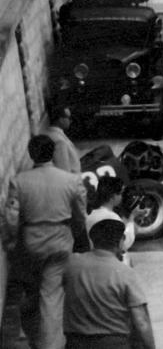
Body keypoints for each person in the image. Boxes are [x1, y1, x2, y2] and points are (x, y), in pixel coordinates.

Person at [6, 135, 88, 349]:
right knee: (51, 295)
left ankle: (32, 335)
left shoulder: (19, 181)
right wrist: (77, 232)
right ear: (52, 153)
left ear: (31, 154)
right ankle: (51, 344)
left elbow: (12, 218)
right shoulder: (71, 180)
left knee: (33, 291)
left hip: (31, 243)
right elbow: (80, 214)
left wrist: (12, 241)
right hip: (60, 241)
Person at [63, 219, 156, 349]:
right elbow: (141, 322)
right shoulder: (125, 273)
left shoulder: (72, 264)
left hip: (76, 342)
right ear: (121, 241)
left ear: (93, 240)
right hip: (114, 343)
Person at [84, 176, 140, 256]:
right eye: (120, 193)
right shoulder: (112, 218)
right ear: (112, 197)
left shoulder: (91, 215)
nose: (122, 197)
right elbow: (125, 244)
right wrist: (132, 218)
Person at [42, 104, 82, 173]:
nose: (71, 120)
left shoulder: (53, 133)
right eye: (69, 118)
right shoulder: (58, 141)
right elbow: (64, 169)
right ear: (61, 120)